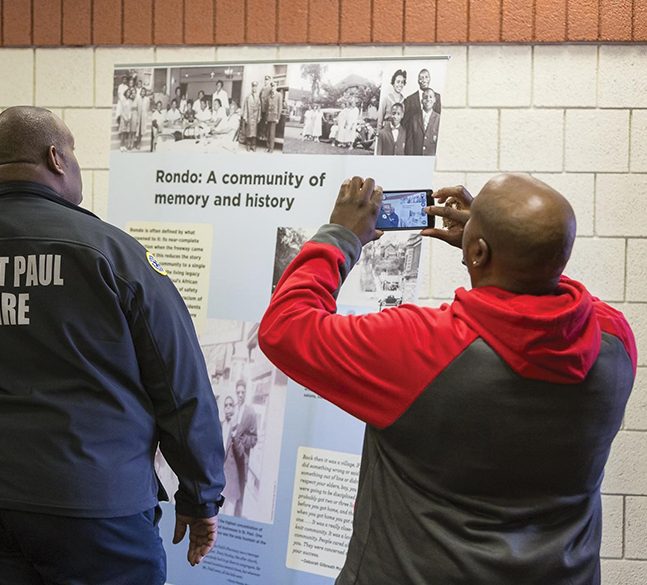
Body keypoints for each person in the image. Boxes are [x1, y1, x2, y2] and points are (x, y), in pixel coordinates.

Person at [0, 106, 225, 584]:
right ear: (57, 158)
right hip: (94, 503)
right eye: (73, 154)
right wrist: (200, 495)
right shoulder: (114, 257)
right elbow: (180, 386)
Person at [258, 174, 635, 585]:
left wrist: (341, 235)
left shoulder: (421, 347)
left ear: (477, 250)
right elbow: (543, 281)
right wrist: (499, 251)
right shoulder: (615, 341)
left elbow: (285, 326)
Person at [230, 379, 257, 518]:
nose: (240, 395)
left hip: (241, 460)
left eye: (243, 392)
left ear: (246, 393)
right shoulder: (232, 408)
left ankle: (236, 520)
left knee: (239, 494)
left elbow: (254, 439)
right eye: (238, 392)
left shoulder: (250, 412)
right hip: (229, 459)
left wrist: (240, 439)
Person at [220, 396, 240, 515]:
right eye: (226, 405)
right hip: (218, 477)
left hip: (231, 477)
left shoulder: (238, 428)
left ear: (234, 408)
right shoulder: (220, 425)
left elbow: (241, 454)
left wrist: (234, 433)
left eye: (230, 405)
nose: (228, 408)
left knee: (229, 512)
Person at [405, 87, 440, 156]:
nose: (428, 99)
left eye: (430, 97)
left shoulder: (439, 119)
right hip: (417, 158)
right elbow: (410, 143)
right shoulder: (414, 119)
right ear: (421, 101)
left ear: (435, 100)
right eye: (425, 97)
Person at [243, 82, 261, 152]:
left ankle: (253, 146)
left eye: (255, 87)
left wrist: (259, 116)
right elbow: (245, 107)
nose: (254, 88)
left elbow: (259, 108)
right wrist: (245, 116)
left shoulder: (257, 97)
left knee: (254, 132)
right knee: (249, 131)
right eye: (253, 87)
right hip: (249, 116)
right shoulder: (248, 96)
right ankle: (248, 145)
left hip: (255, 117)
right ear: (252, 87)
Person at [265, 86, 283, 152]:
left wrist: (278, 117)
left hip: (274, 117)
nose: (272, 89)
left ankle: (271, 149)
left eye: (274, 87)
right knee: (268, 133)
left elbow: (280, 107)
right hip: (269, 116)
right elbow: (267, 108)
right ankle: (268, 146)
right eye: (271, 87)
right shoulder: (269, 96)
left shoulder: (278, 95)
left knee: (272, 133)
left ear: (275, 88)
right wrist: (266, 118)